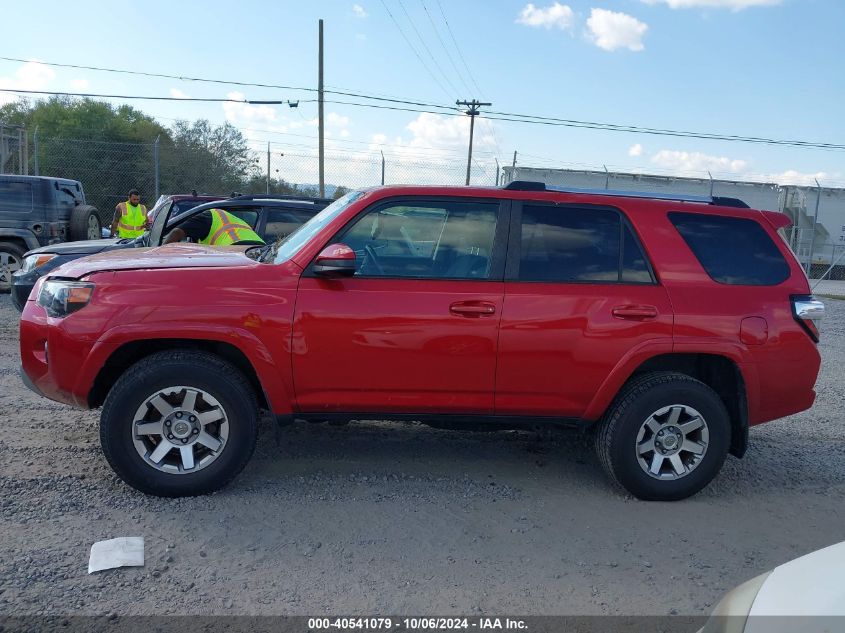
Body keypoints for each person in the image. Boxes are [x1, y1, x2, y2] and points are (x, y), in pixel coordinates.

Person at [162, 208, 265, 246]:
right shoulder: (229, 220)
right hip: (260, 250)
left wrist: (159, 254)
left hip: (234, 248)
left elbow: (176, 232)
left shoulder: (205, 217)